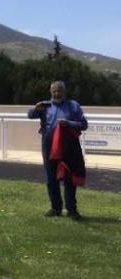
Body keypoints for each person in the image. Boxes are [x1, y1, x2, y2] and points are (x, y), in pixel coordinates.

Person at [27, 81, 88, 220]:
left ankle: (71, 209)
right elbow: (30, 115)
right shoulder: (45, 106)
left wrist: (69, 123)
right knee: (51, 178)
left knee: (69, 178)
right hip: (49, 146)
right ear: (51, 92)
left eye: (59, 90)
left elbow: (84, 124)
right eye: (54, 91)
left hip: (69, 146)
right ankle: (55, 208)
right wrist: (35, 108)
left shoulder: (73, 105)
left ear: (64, 92)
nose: (57, 93)